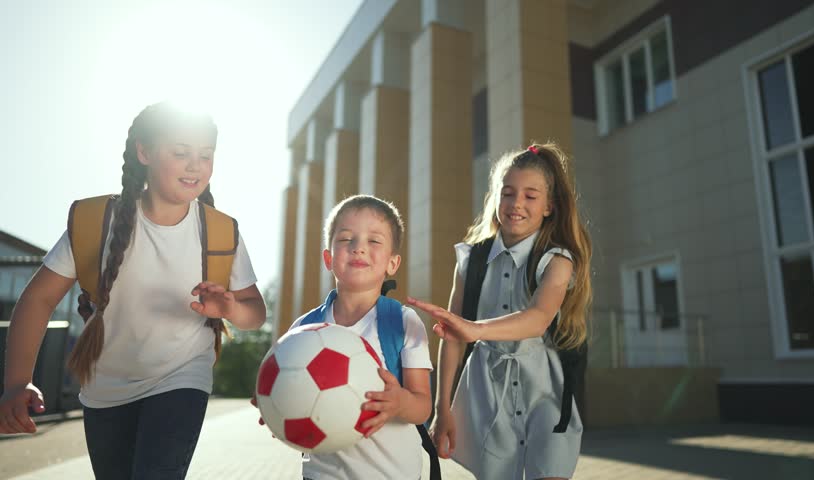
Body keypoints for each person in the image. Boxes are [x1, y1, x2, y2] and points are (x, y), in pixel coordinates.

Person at [0, 101, 266, 480]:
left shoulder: (222, 232)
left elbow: (255, 311)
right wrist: (16, 383)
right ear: (144, 152)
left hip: (182, 375)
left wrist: (229, 308)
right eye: (180, 153)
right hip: (105, 385)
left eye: (205, 156)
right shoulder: (96, 222)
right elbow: (38, 299)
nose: (195, 165)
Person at [408, 143, 593, 480]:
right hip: (485, 394)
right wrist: (442, 408)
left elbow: (538, 319)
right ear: (496, 197)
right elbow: (452, 337)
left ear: (549, 206)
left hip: (547, 393)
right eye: (507, 193)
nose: (516, 204)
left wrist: (475, 329)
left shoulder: (557, 260)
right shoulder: (471, 261)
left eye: (530, 196)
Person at [278, 195, 433, 479]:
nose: (359, 247)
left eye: (374, 241)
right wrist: (277, 404)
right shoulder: (304, 329)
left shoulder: (401, 323)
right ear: (328, 258)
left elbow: (423, 406)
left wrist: (400, 402)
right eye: (346, 238)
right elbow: (287, 392)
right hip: (321, 474)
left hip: (391, 473)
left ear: (392, 263)